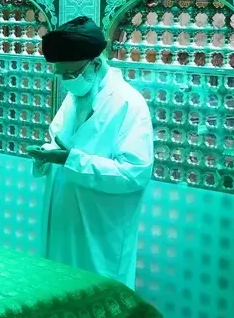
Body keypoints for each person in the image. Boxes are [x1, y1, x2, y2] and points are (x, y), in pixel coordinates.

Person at [29, 16, 154, 287]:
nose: (66, 81)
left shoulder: (128, 104)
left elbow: (134, 174)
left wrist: (72, 160)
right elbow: (60, 142)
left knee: (98, 299)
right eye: (60, 74)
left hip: (100, 232)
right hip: (64, 224)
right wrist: (46, 154)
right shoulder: (75, 97)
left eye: (70, 74)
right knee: (59, 292)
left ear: (95, 64)